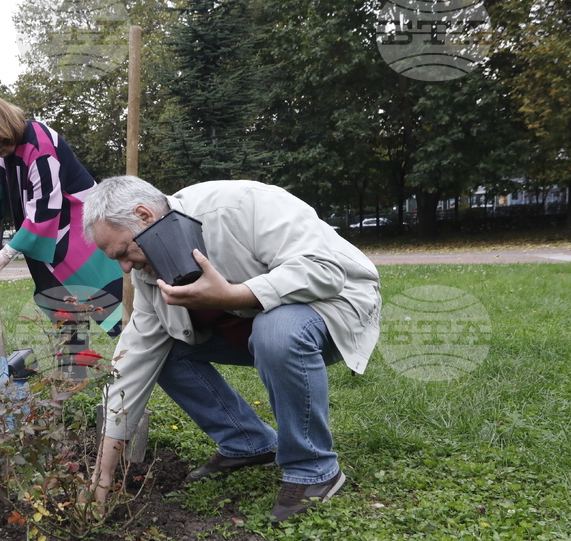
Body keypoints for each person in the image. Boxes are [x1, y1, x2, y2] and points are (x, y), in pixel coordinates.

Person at [82, 176, 382, 522]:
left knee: (276, 331)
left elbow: (327, 271)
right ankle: (247, 444)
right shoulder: (149, 268)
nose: (125, 267)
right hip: (251, 330)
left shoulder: (241, 206)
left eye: (123, 252)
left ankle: (313, 469)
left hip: (333, 306)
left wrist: (233, 295)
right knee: (163, 350)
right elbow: (134, 361)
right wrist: (102, 477)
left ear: (145, 216)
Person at [0, 95, 124, 350]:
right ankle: (72, 368)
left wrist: (6, 253)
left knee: (103, 293)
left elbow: (46, 206)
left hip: (78, 228)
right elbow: (17, 195)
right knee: (58, 298)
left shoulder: (39, 145)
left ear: (5, 130)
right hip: (47, 238)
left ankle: (139, 349)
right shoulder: (6, 151)